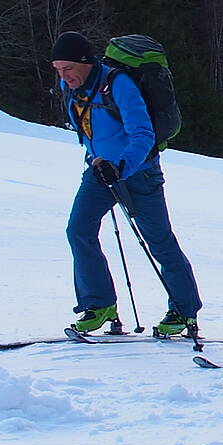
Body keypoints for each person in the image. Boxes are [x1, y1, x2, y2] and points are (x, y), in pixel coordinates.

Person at [53, 31, 202, 338]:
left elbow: (143, 134)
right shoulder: (72, 88)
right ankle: (99, 305)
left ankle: (184, 310)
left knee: (159, 240)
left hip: (139, 172)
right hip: (99, 171)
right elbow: (89, 131)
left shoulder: (118, 84)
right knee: (78, 230)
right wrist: (97, 160)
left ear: (85, 62)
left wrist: (120, 166)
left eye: (68, 68)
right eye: (58, 70)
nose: (63, 76)